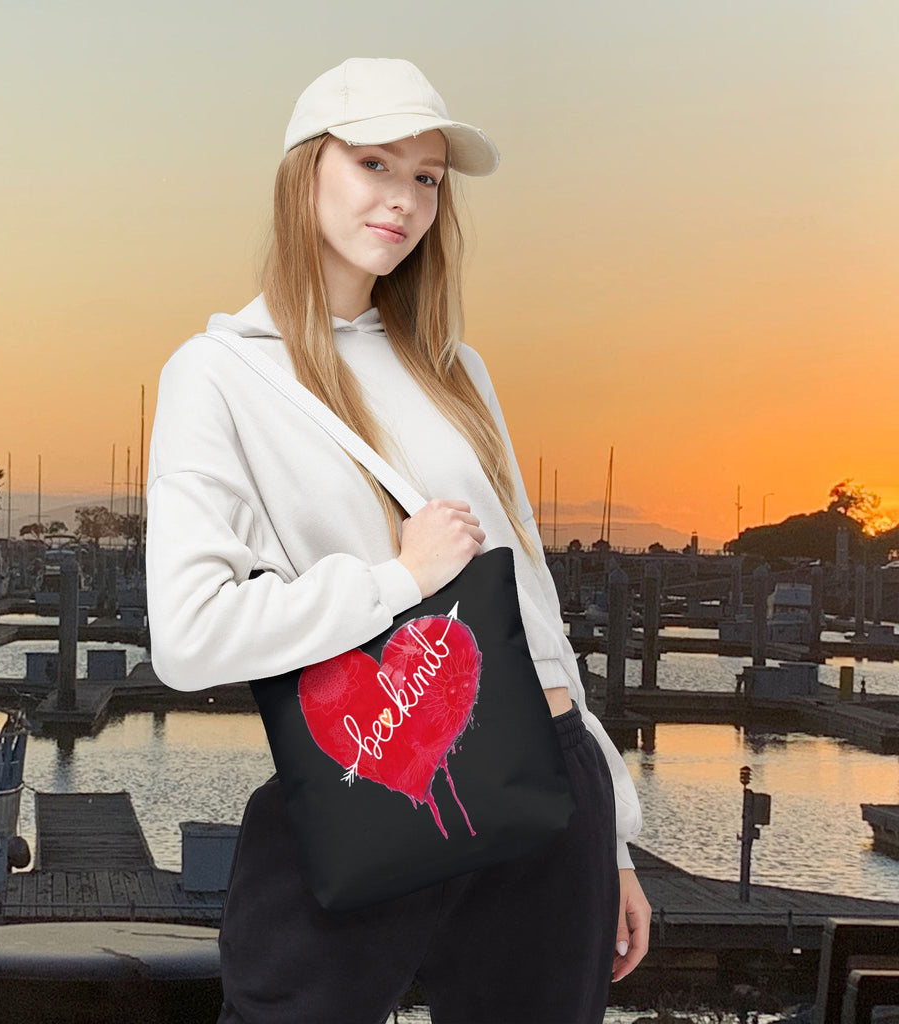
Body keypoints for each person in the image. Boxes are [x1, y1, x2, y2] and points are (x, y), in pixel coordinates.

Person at [146, 56, 650, 1024]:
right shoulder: (220, 373)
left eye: (425, 177)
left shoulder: (455, 368)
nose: (404, 199)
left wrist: (615, 843)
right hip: (369, 776)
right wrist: (398, 577)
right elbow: (191, 635)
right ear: (306, 170)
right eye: (375, 162)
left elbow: (530, 603)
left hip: (551, 779)